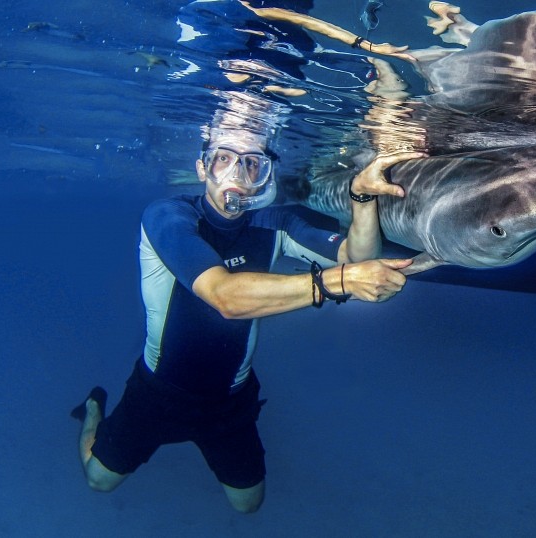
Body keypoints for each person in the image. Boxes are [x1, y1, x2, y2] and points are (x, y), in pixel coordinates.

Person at [71, 98, 423, 513]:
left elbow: (357, 260)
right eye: (223, 159)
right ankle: (95, 408)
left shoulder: (275, 223)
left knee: (248, 505)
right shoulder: (168, 217)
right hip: (157, 393)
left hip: (229, 401)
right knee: (98, 480)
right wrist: (337, 283)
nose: (237, 175)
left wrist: (362, 201)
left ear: (266, 173)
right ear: (203, 168)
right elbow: (225, 297)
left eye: (252, 163)